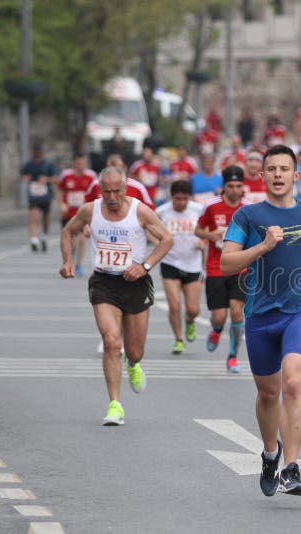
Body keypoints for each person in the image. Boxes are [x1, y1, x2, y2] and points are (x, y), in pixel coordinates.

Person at [220, 144, 301, 497]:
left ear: (296, 176)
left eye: (285, 169)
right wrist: (262, 247)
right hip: (259, 315)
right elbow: (227, 263)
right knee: (268, 393)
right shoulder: (248, 216)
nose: (278, 175)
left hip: (299, 310)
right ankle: (271, 454)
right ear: (262, 175)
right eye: (272, 169)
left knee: (294, 383)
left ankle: (292, 467)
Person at [59, 166, 173, 425]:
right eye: (107, 191)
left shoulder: (140, 211)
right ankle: (115, 406)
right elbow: (68, 231)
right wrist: (67, 261)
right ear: (100, 189)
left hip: (135, 284)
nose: (112, 197)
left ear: (125, 188)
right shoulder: (90, 210)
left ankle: (133, 365)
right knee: (111, 341)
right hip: (104, 283)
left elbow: (167, 239)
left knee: (134, 351)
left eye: (117, 191)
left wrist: (144, 266)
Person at [194, 165, 247, 373]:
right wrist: (211, 236)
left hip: (241, 268)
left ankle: (233, 356)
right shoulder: (211, 206)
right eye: (231, 186)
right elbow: (198, 229)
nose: (235, 190)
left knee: (236, 312)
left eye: (238, 186)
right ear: (223, 187)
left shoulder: (248, 208)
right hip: (216, 268)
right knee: (219, 316)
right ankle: (216, 329)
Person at [156, 180, 204, 354]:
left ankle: (190, 322)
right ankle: (178, 339)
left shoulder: (198, 210)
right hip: (170, 262)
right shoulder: (162, 212)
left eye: (185, 199)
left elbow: (208, 228)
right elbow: (149, 229)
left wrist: (203, 241)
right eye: (178, 199)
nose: (182, 202)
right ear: (172, 197)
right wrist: (158, 244)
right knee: (174, 305)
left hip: (193, 264)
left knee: (193, 309)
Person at [58, 153, 97, 274]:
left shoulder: (91, 176)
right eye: (79, 163)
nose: (81, 165)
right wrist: (61, 203)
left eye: (83, 163)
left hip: (83, 214)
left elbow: (95, 192)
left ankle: (78, 264)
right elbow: (59, 188)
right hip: (68, 213)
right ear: (74, 163)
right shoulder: (66, 175)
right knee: (70, 240)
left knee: (81, 239)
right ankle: (69, 260)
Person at [84, 154, 155, 211]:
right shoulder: (96, 184)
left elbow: (151, 210)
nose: (113, 172)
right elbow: (85, 206)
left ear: (125, 168)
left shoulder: (138, 187)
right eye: (110, 168)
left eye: (117, 168)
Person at [21, 144, 58, 252]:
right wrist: (26, 178)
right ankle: (33, 240)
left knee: (45, 219)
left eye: (38, 152)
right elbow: (23, 175)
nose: (36, 154)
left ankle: (44, 237)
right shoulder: (28, 164)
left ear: (41, 153)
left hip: (45, 196)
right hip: (33, 196)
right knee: (34, 217)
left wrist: (46, 180)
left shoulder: (48, 164)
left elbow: (56, 178)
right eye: (34, 152)